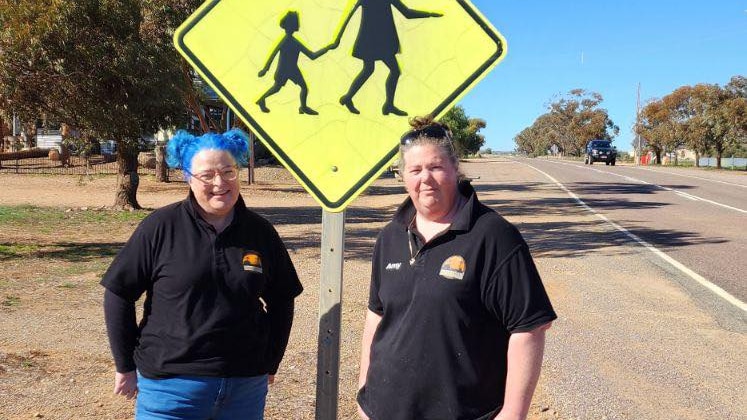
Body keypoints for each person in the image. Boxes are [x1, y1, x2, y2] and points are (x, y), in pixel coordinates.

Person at [357, 117, 556, 420]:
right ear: (402, 176)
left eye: (435, 167)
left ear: (455, 168)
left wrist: (514, 413)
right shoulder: (390, 236)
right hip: (384, 409)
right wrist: (364, 391)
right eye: (415, 170)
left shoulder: (493, 236)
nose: (425, 178)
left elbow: (529, 328)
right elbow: (377, 314)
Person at [101, 129, 302, 419]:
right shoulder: (160, 227)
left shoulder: (260, 232)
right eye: (207, 175)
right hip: (170, 390)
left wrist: (271, 361)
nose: (220, 183)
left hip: (244, 389)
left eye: (229, 172)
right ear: (188, 178)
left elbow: (283, 297)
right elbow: (119, 292)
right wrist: (125, 365)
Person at [331, 0, 442, 116]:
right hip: (380, 41)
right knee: (393, 71)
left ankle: (350, 98)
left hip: (370, 39)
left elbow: (349, 14)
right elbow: (407, 13)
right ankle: (387, 104)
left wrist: (338, 38)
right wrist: (430, 14)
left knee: (370, 69)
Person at [257, 10, 334, 115]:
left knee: (302, 88)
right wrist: (265, 69)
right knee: (277, 88)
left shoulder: (293, 41)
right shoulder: (288, 41)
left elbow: (312, 56)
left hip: (292, 69)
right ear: (292, 25)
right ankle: (262, 100)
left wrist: (328, 48)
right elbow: (274, 54)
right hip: (284, 70)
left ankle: (303, 107)